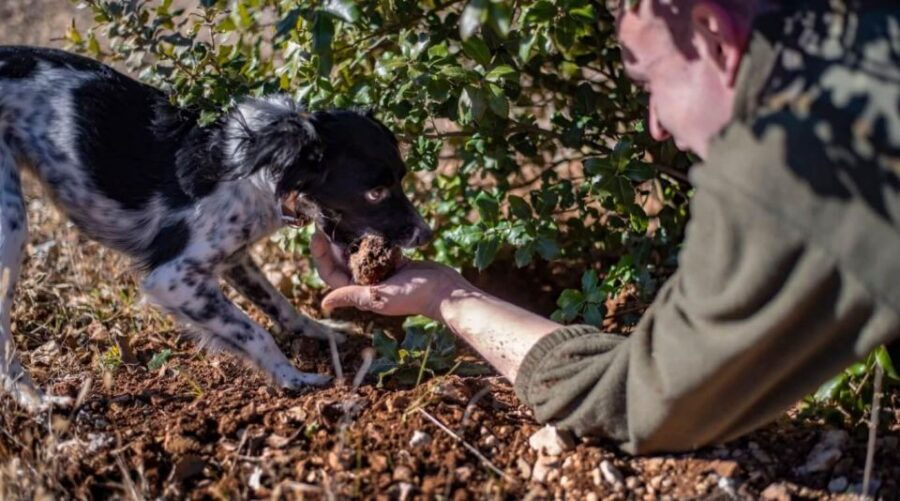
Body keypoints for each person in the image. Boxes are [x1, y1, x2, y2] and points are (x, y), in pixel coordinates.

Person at [311, 0, 900, 454]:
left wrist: (447, 296)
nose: (657, 127)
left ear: (714, 34)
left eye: (651, 82)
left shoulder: (802, 145)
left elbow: (638, 401)